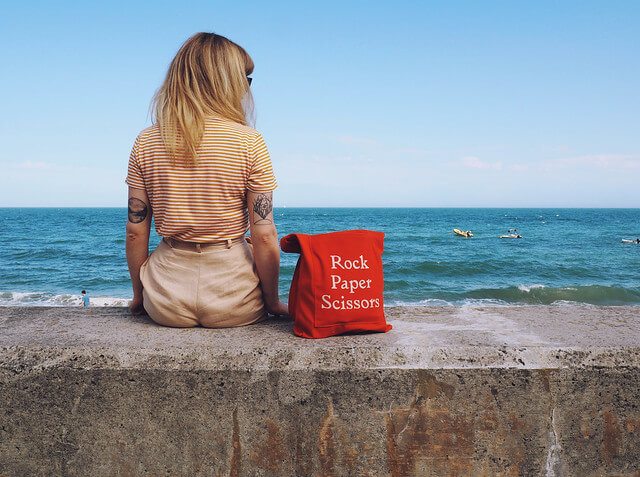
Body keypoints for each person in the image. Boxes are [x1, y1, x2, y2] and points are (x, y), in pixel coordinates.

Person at [125, 32, 288, 328]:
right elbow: (264, 235)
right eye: (244, 80)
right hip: (235, 301)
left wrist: (140, 296)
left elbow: (136, 230)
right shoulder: (250, 142)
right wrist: (273, 302)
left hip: (165, 302)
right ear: (226, 83)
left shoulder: (145, 141)